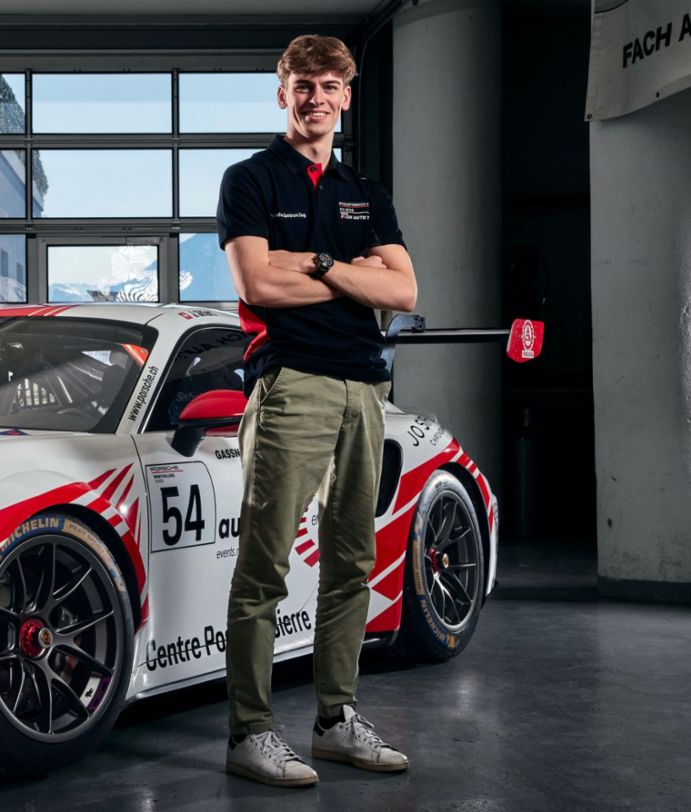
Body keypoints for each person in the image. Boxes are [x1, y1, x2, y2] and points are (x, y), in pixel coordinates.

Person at [215, 34, 417, 788]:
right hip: (292, 382)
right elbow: (259, 285)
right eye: (303, 84)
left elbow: (404, 293)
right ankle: (251, 732)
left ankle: (335, 721)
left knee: (351, 562)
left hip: (366, 387)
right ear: (283, 92)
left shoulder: (367, 191)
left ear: (347, 96)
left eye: (331, 84)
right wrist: (356, 272)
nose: (317, 97)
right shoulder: (250, 180)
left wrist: (320, 263)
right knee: (265, 564)